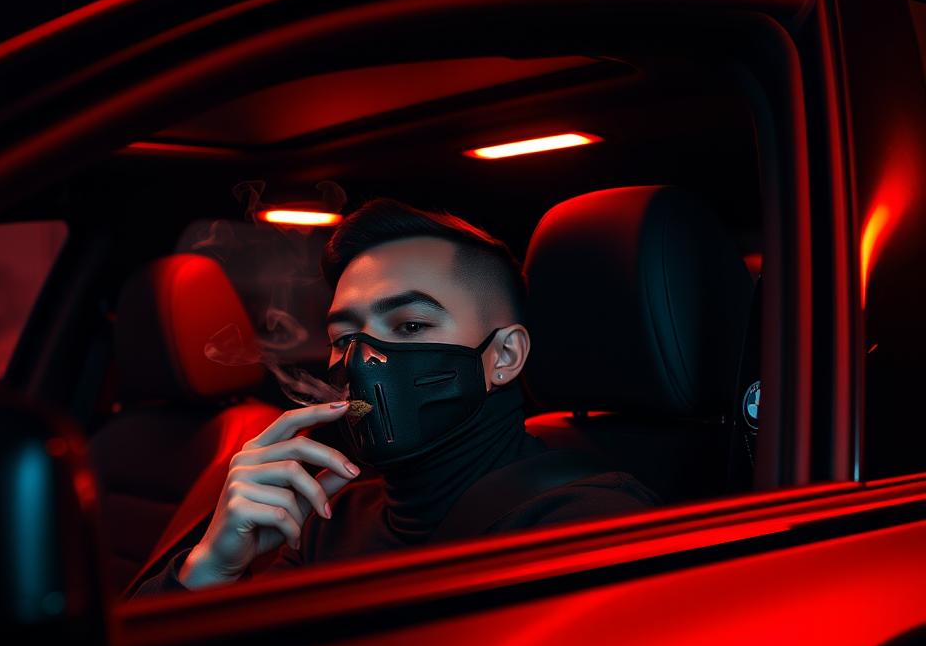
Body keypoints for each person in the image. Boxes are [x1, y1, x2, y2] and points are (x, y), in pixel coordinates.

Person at [135, 199, 658, 596]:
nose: (361, 360)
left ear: (503, 356)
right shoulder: (329, 519)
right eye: (344, 339)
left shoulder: (585, 525)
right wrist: (211, 568)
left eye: (409, 325)